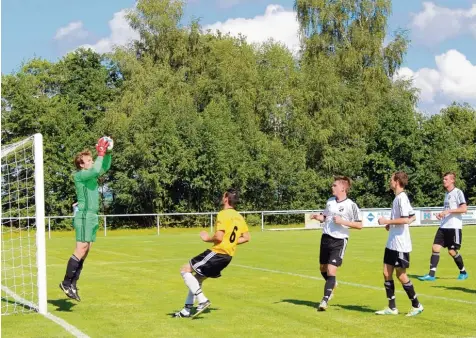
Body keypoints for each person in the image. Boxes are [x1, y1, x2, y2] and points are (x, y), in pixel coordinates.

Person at [174, 188, 250, 319]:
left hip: (218, 253)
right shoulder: (239, 217)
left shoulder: (223, 214)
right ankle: (186, 310)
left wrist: (206, 238)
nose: (222, 197)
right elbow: (247, 237)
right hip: (228, 256)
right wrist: (230, 243)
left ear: (226, 198)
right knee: (197, 279)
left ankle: (202, 300)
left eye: (223, 196)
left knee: (185, 270)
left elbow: (219, 237)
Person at [59, 137, 112, 302]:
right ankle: (66, 283)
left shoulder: (90, 175)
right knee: (80, 249)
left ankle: (73, 284)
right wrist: (101, 153)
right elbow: (97, 169)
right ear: (81, 164)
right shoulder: (80, 175)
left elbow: (104, 166)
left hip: (92, 216)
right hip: (83, 216)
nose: (92, 161)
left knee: (85, 251)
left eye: (92, 159)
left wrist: (107, 153)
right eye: (89, 160)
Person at [310, 176, 362, 312]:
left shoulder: (351, 205)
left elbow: (359, 224)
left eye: (334, 185)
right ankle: (332, 283)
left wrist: (343, 222)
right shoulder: (330, 201)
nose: (331, 187)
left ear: (342, 188)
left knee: (331, 270)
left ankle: (324, 300)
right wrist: (317, 217)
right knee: (322, 268)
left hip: (339, 240)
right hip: (325, 238)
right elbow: (325, 217)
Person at [375, 171, 423, 316]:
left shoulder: (402, 198)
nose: (390, 181)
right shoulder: (398, 198)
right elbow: (412, 216)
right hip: (392, 242)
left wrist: (387, 221)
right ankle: (392, 307)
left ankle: (417, 305)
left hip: (400, 244)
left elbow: (405, 219)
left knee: (401, 275)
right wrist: (391, 225)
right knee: (386, 273)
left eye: (391, 179)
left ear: (396, 181)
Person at [418, 172, 468, 281]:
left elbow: (464, 209)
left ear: (452, 180)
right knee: (435, 247)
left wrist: (448, 211)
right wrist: (441, 215)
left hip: (454, 227)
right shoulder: (446, 194)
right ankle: (431, 275)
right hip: (444, 226)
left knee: (452, 251)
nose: (443, 181)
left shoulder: (458, 192)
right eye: (443, 179)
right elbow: (447, 210)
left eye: (446, 179)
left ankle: (463, 271)